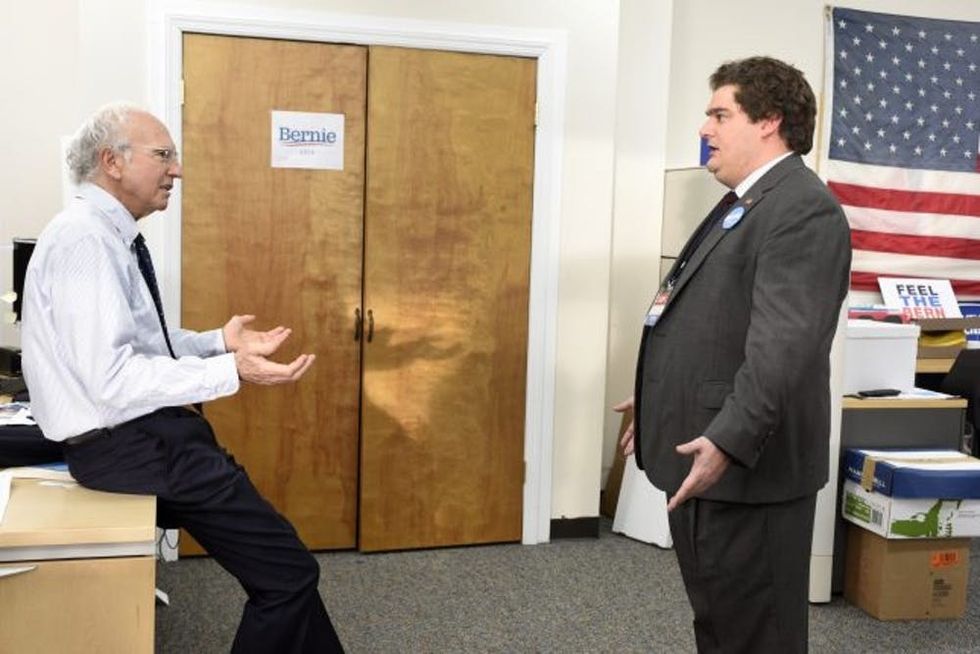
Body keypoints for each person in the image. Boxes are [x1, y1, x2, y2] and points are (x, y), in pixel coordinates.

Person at [21, 103, 345, 653]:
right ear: (112, 162)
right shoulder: (85, 241)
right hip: (132, 444)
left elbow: (141, 346)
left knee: (285, 568)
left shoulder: (102, 234)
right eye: (164, 155)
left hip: (141, 438)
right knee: (287, 572)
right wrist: (230, 371)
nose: (177, 170)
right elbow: (113, 379)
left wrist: (219, 342)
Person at [616, 57, 851, 653]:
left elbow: (783, 348)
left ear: (770, 120)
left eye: (721, 114)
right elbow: (711, 326)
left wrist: (726, 439)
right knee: (721, 626)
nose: (705, 128)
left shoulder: (802, 207)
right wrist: (655, 398)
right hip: (710, 467)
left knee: (757, 636)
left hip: (749, 473)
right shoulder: (745, 201)